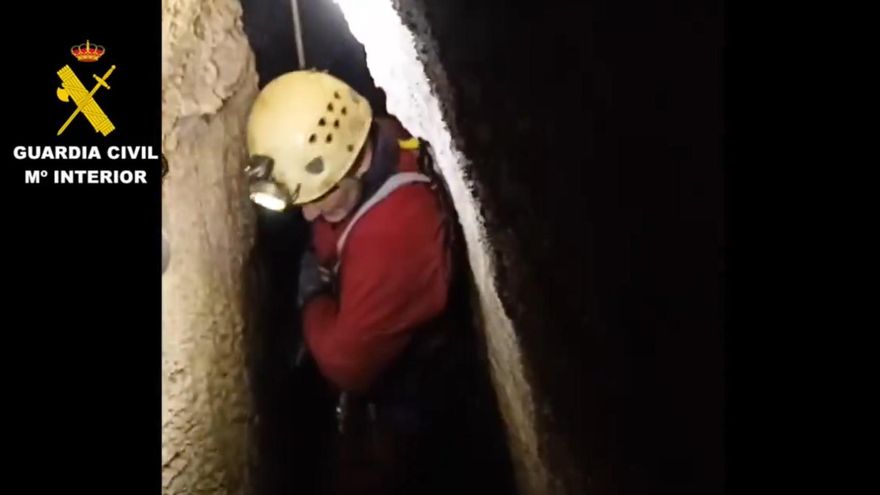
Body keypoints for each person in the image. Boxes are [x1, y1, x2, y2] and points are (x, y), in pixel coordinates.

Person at [244, 70, 512, 495]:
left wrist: (313, 294)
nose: (309, 214)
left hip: (413, 385)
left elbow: (346, 362)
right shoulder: (380, 138)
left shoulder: (395, 237)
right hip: (393, 333)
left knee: (384, 472)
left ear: (352, 163)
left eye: (317, 198)